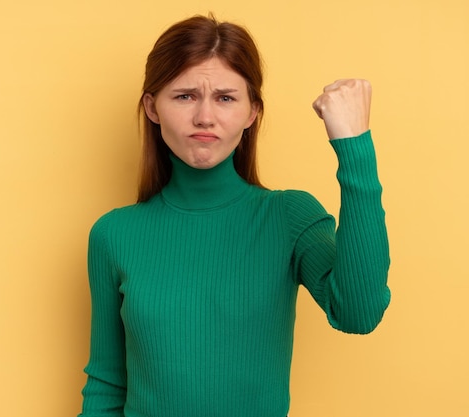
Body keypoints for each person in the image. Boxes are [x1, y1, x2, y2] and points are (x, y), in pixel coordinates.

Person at [78, 14, 390, 417]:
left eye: (225, 98)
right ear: (152, 108)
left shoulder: (289, 218)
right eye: (185, 96)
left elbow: (359, 312)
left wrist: (355, 147)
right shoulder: (114, 234)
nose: (205, 117)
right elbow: (106, 384)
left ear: (251, 112)